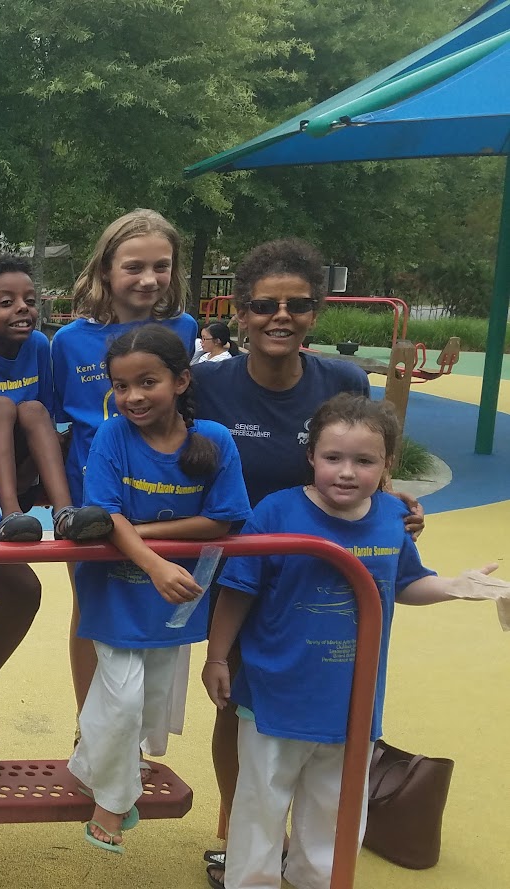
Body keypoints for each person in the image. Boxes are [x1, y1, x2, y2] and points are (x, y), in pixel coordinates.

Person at [190, 237, 424, 884]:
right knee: (237, 699)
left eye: (297, 304)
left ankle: (308, 844)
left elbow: (360, 450)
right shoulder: (209, 384)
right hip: (243, 561)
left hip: (324, 562)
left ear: (316, 312)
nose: (280, 316)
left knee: (324, 685)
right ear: (240, 312)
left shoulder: (342, 381)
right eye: (265, 304)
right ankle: (242, 838)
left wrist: (389, 494)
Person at [203, 394, 502, 889]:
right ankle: (250, 881)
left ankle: (316, 880)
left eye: (364, 461)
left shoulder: (389, 517)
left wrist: (451, 585)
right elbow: (237, 592)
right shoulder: (276, 512)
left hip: (353, 699)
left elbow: (404, 582)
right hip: (275, 693)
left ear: (386, 465)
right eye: (333, 458)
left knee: (335, 807)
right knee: (261, 801)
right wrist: (217, 656)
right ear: (311, 457)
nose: (346, 472)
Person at [66, 324, 249, 854]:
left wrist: (141, 536)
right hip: (118, 587)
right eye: (121, 387)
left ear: (182, 380)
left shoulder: (212, 440)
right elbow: (103, 513)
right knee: (121, 698)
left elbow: (223, 520)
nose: (133, 397)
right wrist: (151, 562)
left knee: (148, 704)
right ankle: (115, 800)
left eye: (147, 382)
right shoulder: (113, 435)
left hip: (176, 593)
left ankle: (85, 767)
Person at [51, 209, 201, 722]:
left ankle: (135, 733)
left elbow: (190, 412)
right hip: (94, 500)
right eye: (134, 266)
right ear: (106, 270)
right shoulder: (70, 340)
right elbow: (59, 420)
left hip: (162, 497)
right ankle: (87, 730)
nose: (149, 279)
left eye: (161, 266)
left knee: (151, 606)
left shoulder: (183, 328)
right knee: (92, 612)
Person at [0, 255, 111, 543]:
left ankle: (64, 513)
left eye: (30, 301)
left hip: (20, 462)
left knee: (34, 410)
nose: (23, 307)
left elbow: (44, 414)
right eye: (6, 303)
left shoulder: (38, 344)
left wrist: (31, 470)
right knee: (0, 406)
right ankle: (10, 515)